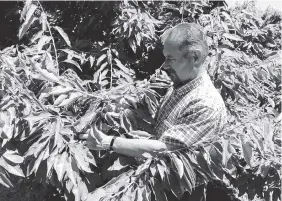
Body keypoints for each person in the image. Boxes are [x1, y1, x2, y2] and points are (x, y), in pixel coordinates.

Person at [80, 22, 227, 201]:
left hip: (178, 194)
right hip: (153, 180)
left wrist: (108, 142)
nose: (164, 66)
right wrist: (123, 115)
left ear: (194, 57)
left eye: (171, 59)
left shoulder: (205, 103)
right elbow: (161, 123)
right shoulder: (180, 85)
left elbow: (164, 150)